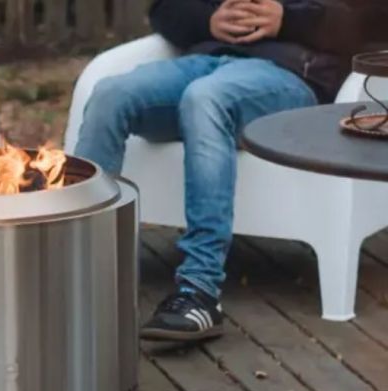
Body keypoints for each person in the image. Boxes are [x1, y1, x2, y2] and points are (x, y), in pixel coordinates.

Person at [73, 0, 367, 342]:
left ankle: (199, 291)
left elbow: (369, 23)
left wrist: (287, 20)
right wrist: (208, 20)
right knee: (111, 94)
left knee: (206, 99)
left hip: (291, 77)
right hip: (205, 62)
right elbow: (164, 11)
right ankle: (79, 271)